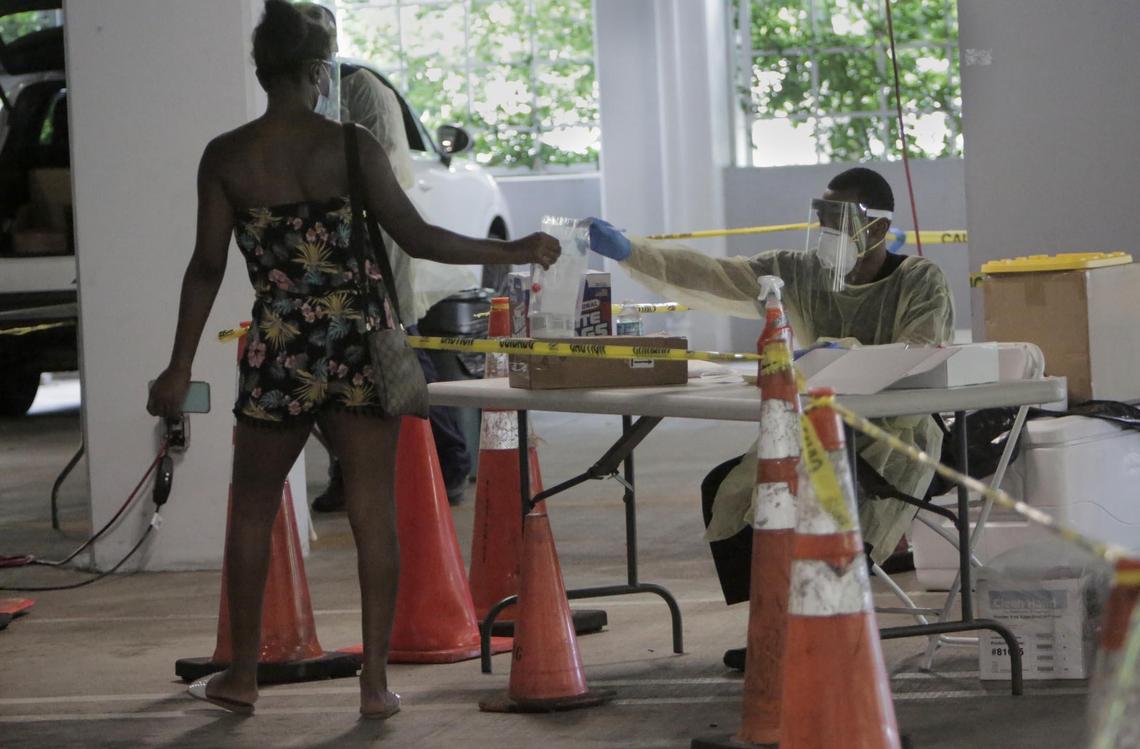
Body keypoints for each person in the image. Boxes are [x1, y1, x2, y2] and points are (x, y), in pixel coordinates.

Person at [147, 0, 559, 718]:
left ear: (261, 69)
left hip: (280, 348)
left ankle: (242, 676)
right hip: (357, 342)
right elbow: (421, 237)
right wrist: (512, 250)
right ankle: (374, 683)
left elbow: (205, 267)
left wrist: (179, 366)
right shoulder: (351, 144)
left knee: (250, 511)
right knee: (373, 510)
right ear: (315, 71)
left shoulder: (226, 156)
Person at [586, 167, 953, 667]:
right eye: (821, 218)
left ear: (878, 228)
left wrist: (839, 352)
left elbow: (917, 351)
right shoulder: (798, 272)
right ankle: (773, 620)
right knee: (729, 488)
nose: (826, 231)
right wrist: (633, 251)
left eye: (837, 220)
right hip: (817, 426)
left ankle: (826, 626)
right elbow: (715, 275)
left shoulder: (919, 280)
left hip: (894, 434)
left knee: (830, 501)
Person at [296, 2, 471, 510]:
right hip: (326, 249)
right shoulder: (301, 93)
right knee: (341, 369)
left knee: (400, 355)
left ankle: (452, 463)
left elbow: (387, 172)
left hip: (379, 239)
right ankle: (346, 476)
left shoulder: (362, 88)